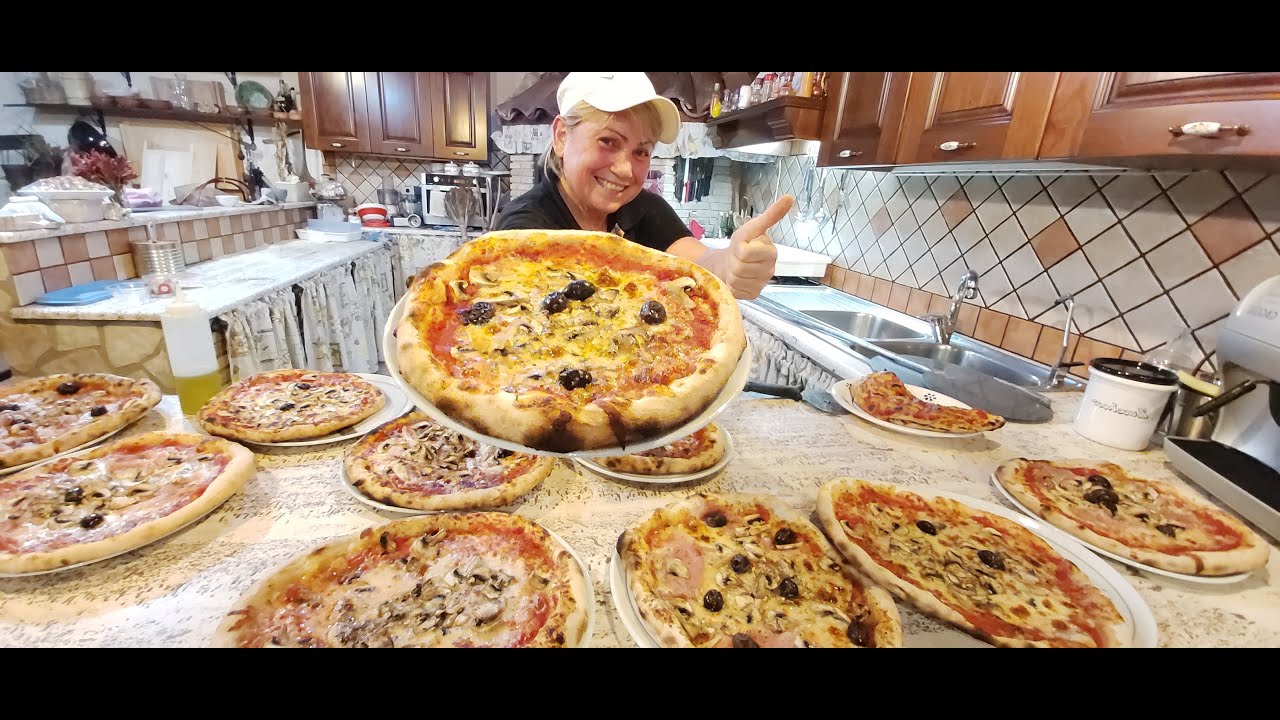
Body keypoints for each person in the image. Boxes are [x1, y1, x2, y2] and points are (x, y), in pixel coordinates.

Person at [495, 72, 794, 300]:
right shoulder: (524, 229)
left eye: (641, 151)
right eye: (608, 141)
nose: (625, 170)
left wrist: (731, 264)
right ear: (562, 136)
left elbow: (700, 264)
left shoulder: (643, 208)